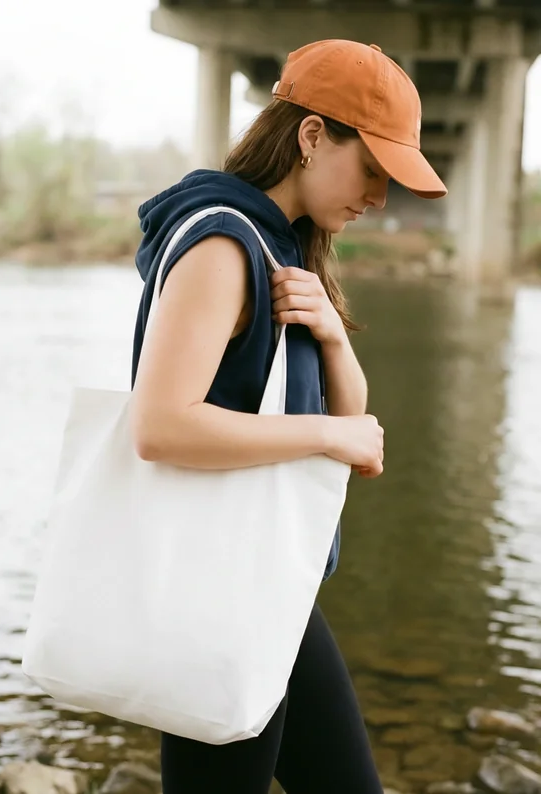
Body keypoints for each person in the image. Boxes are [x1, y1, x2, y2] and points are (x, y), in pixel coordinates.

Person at [129, 39, 447, 794]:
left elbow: (350, 412)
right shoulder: (221, 244)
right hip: (219, 595)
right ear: (310, 136)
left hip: (268, 584)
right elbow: (160, 427)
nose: (379, 197)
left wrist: (333, 336)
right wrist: (329, 435)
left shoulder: (285, 247)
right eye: (372, 168)